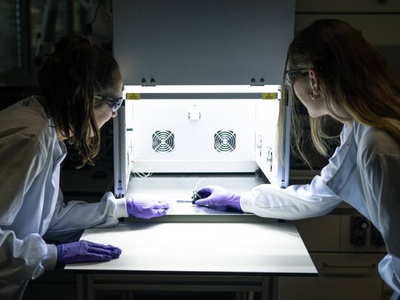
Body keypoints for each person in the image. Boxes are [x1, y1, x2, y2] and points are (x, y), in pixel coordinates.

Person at [194, 19, 400, 299]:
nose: (291, 87)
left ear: (313, 79)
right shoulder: (358, 129)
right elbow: (316, 197)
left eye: (291, 77)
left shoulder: (378, 145)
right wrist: (238, 200)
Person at [0, 35, 169, 299]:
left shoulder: (45, 128)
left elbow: (48, 217)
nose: (114, 114)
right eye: (114, 103)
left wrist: (119, 208)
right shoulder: (30, 138)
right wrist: (53, 255)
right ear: (87, 98)